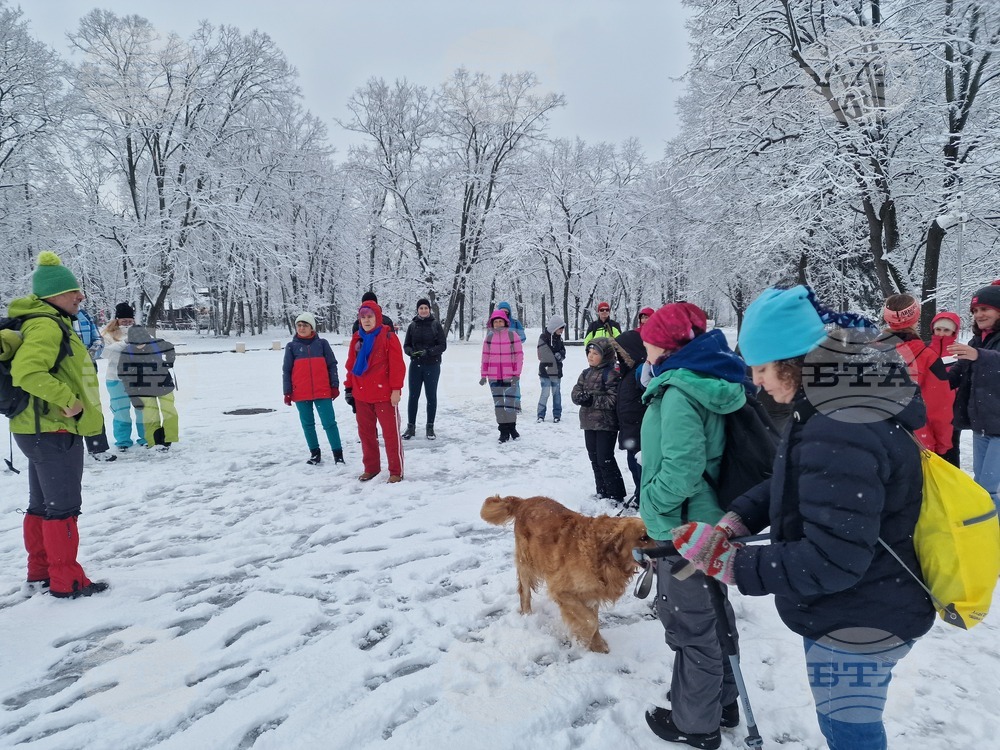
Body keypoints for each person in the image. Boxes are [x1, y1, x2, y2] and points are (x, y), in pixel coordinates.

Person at [671, 285, 934, 750]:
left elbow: (833, 559)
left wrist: (732, 566)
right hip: (864, 597)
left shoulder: (839, 426)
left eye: (761, 367)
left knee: (849, 731)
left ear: (792, 362)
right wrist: (737, 520)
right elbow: (791, 480)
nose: (756, 381)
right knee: (844, 723)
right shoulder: (832, 405)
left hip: (862, 612)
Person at [637, 302, 747, 749]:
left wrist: (653, 502)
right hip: (707, 519)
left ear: (663, 344)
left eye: (648, 338)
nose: (642, 343)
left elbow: (683, 466)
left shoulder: (679, 390)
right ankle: (721, 700)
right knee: (713, 612)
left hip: (683, 526)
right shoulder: (707, 380)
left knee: (691, 625)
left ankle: (696, 724)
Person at [7, 251, 109, 598]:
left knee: (43, 505)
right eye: (72, 292)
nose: (80, 296)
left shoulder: (43, 322)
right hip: (52, 430)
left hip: (35, 430)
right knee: (63, 507)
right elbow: (27, 373)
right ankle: (68, 580)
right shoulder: (47, 325)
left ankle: (40, 574)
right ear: (52, 296)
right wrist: (70, 401)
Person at [949, 280, 1000, 510]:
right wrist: (926, 373)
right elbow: (959, 372)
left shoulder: (980, 347)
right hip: (983, 425)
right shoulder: (978, 339)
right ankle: (986, 536)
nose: (979, 314)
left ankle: (992, 539)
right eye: (975, 310)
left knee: (990, 489)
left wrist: (978, 355)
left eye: (985, 309)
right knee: (981, 487)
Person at [882, 293, 952, 456]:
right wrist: (943, 445)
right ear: (916, 318)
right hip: (916, 441)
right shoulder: (928, 357)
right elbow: (940, 407)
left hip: (875, 440)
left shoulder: (867, 352)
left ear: (887, 318)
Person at [344, 301, 406, 482]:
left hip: (384, 395)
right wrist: (349, 387)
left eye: (370, 316)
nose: (366, 320)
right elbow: (351, 365)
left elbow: (397, 366)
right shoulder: (357, 337)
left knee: (390, 434)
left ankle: (396, 470)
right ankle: (371, 467)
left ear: (377, 317)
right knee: (366, 434)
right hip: (361, 394)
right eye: (363, 317)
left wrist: (396, 389)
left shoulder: (388, 336)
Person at [283, 311, 345, 465]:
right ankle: (315, 453)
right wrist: (287, 391)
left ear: (312, 328)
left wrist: (334, 385)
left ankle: (338, 455)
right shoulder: (291, 347)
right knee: (308, 424)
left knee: (329, 423)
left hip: (322, 391)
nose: (302, 328)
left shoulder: (322, 344)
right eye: (299, 325)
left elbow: (332, 365)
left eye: (305, 325)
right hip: (301, 392)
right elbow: (287, 370)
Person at [571, 337, 626, 503]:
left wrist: (592, 400)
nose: (590, 356)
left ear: (606, 355)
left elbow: (614, 399)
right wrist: (580, 397)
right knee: (594, 457)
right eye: (589, 352)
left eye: (595, 353)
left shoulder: (611, 373)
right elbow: (575, 392)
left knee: (605, 458)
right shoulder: (585, 373)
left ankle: (615, 494)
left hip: (606, 424)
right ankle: (601, 490)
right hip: (588, 422)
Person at [118, 325, 178, 451]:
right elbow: (125, 376)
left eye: (143, 342)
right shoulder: (127, 353)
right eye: (137, 343)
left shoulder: (157, 344)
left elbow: (170, 347)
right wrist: (133, 397)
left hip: (164, 385)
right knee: (150, 417)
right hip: (143, 389)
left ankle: (169, 439)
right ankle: (154, 442)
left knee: (169, 412)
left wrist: (169, 361)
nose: (140, 345)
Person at [101, 302, 146, 451]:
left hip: (138, 377)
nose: (127, 323)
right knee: (121, 411)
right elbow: (106, 353)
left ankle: (145, 438)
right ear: (117, 319)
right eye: (124, 320)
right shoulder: (108, 333)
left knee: (142, 410)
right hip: (116, 379)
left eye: (130, 320)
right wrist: (125, 342)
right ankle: (123, 441)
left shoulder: (140, 331)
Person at [74, 306, 116, 462]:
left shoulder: (83, 314)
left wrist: (90, 352)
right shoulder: (51, 316)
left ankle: (97, 447)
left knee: (92, 406)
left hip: (87, 366)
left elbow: (97, 338)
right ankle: (69, 449)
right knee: (66, 405)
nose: (78, 297)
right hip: (63, 368)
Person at [612, 322, 648, 506]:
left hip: (640, 428)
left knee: (641, 466)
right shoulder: (627, 373)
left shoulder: (640, 372)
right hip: (629, 428)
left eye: (622, 354)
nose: (619, 358)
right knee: (632, 464)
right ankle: (638, 492)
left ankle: (643, 497)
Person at [402, 297, 448, 440]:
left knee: (431, 396)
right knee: (413, 396)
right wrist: (410, 352)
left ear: (429, 309)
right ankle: (411, 427)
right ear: (418, 310)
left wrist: (428, 352)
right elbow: (406, 345)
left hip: (432, 365)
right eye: (421, 308)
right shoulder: (412, 326)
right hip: (415, 365)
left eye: (426, 308)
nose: (423, 310)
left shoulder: (435, 325)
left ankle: (430, 427)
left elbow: (442, 345)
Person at [480, 309, 523, 443]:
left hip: (510, 376)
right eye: (496, 321)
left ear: (505, 322)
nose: (498, 324)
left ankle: (512, 427)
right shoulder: (489, 338)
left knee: (510, 404)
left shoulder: (512, 336)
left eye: (500, 321)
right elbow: (485, 357)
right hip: (493, 377)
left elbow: (519, 355)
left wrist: (517, 373)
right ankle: (503, 431)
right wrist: (483, 374)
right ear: (492, 323)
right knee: (499, 405)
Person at [928, 311, 961, 465]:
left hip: (951, 414)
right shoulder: (924, 351)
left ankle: (951, 487)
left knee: (950, 454)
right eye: (938, 329)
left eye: (946, 330)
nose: (941, 333)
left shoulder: (959, 353)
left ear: (954, 332)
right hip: (926, 412)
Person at [536, 315, 566, 423]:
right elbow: (542, 354)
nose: (562, 330)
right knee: (545, 393)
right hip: (545, 371)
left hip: (557, 372)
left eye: (563, 328)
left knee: (556, 393)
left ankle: (557, 414)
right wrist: (555, 356)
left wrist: (560, 355)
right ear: (555, 327)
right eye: (561, 328)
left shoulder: (559, 339)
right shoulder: (543, 337)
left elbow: (563, 351)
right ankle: (541, 414)